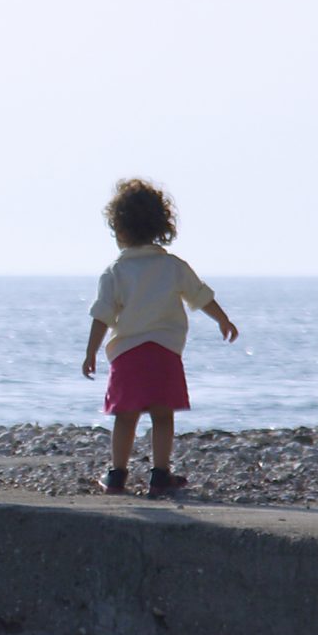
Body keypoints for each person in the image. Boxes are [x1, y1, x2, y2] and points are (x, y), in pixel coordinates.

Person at [80, 178, 238, 497]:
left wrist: (91, 352)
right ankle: (160, 474)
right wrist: (223, 320)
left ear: (119, 229)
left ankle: (117, 475)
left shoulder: (115, 272)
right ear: (160, 226)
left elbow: (102, 315)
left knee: (125, 417)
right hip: (165, 352)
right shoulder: (172, 266)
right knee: (162, 416)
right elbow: (200, 295)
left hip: (127, 355)